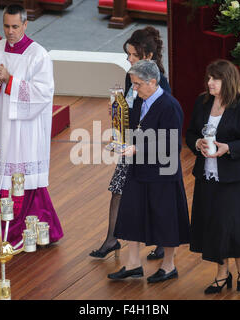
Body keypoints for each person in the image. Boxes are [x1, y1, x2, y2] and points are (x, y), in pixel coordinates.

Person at [0, 4, 63, 254]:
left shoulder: (38, 55)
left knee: (22, 179)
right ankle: (38, 230)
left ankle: (4, 233)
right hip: (2, 125)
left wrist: (9, 81)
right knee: (6, 179)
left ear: (25, 25)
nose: (10, 32)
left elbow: (43, 93)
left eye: (14, 27)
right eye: (6, 26)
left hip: (26, 129)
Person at [186, 59, 240, 293]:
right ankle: (222, 273)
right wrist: (196, 142)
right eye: (208, 78)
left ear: (228, 80)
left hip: (235, 178)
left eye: (215, 79)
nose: (209, 83)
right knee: (213, 225)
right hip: (207, 176)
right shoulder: (202, 102)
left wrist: (229, 148)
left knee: (234, 224)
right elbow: (190, 132)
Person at [89, 26, 170, 260]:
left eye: (134, 55)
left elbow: (160, 118)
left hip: (147, 147)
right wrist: (117, 110)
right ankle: (112, 239)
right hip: (131, 143)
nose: (129, 59)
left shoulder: (160, 82)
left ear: (148, 56)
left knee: (151, 194)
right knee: (118, 191)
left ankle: (162, 241)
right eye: (129, 54)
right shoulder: (130, 76)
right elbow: (129, 109)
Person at [107, 60, 190, 283]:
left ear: (152, 82)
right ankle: (133, 264)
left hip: (162, 173)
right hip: (140, 169)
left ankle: (169, 266)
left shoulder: (169, 106)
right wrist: (117, 121)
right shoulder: (140, 102)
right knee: (132, 215)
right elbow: (133, 130)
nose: (134, 89)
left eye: (137, 84)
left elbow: (171, 144)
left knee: (166, 219)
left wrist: (137, 147)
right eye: (133, 84)